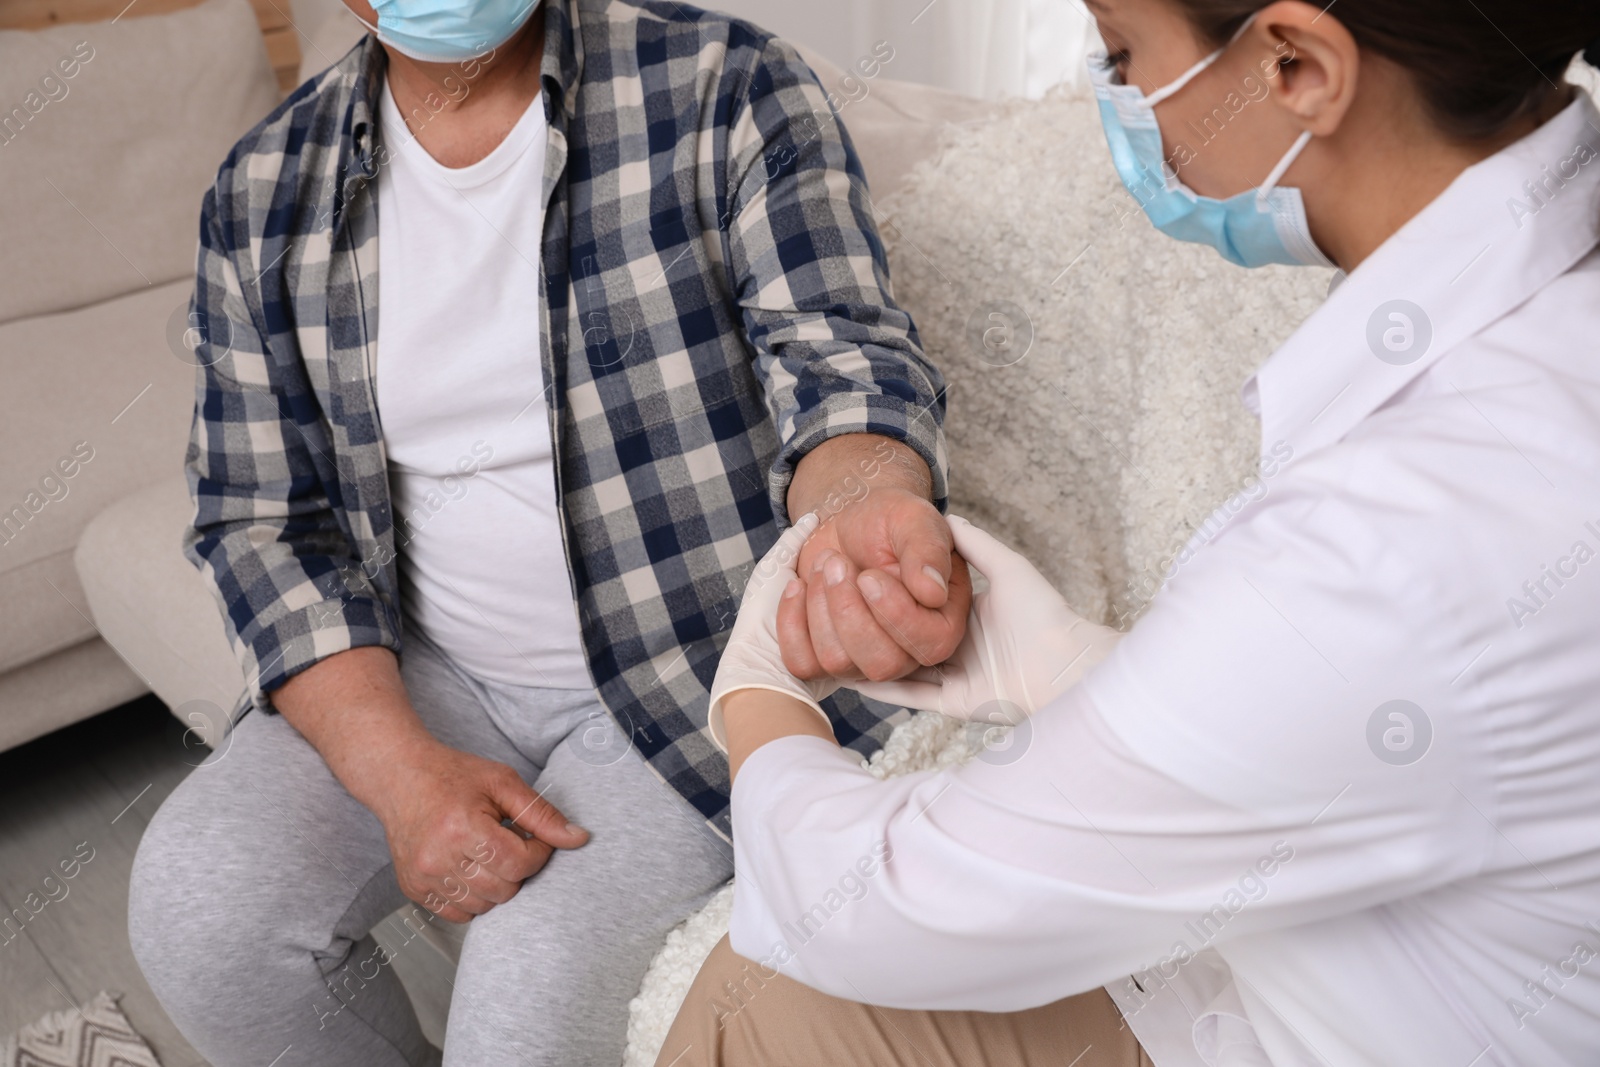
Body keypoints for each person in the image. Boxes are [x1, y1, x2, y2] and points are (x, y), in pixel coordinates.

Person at [658, 1, 1600, 1064]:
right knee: (752, 998)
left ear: (1296, 65)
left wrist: (758, 697)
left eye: (1122, 54)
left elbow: (882, 906)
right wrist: (1077, 674)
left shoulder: (1396, 540)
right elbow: (1374, 732)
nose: (1112, 100)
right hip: (1383, 968)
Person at [124, 0, 972, 1064]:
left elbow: (844, 362)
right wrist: (398, 770)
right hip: (437, 668)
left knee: (519, 1023)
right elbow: (259, 519)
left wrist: (865, 509)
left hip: (702, 667)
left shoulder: (726, 82)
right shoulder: (261, 192)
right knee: (197, 913)